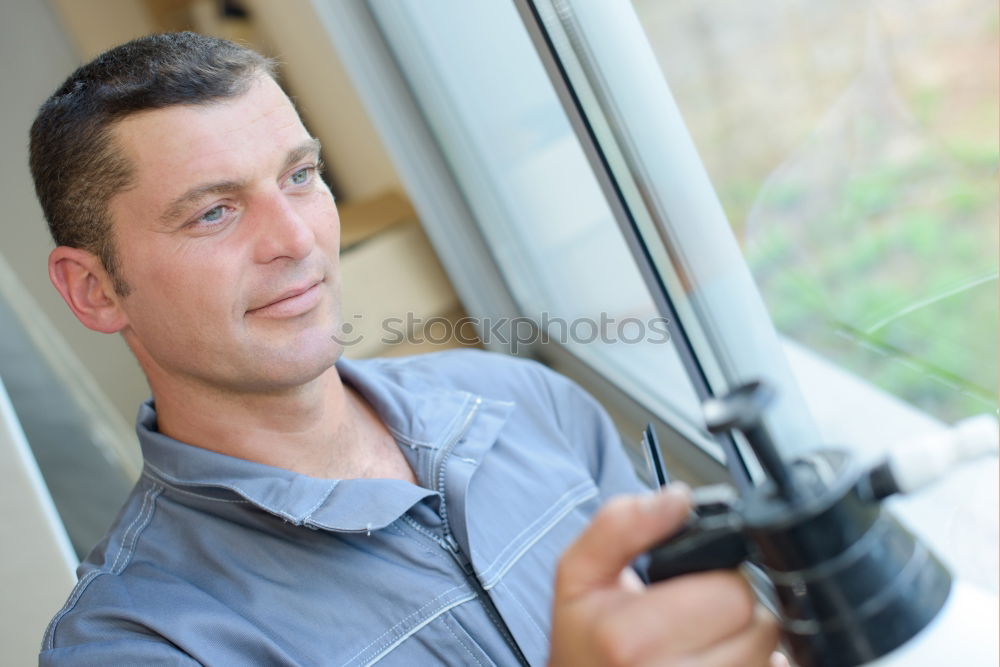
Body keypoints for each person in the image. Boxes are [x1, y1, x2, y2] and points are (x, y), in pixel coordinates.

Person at [31, 32, 782, 666]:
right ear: (95, 289)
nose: (296, 239)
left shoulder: (526, 401)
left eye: (300, 176)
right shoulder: (137, 642)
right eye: (214, 212)